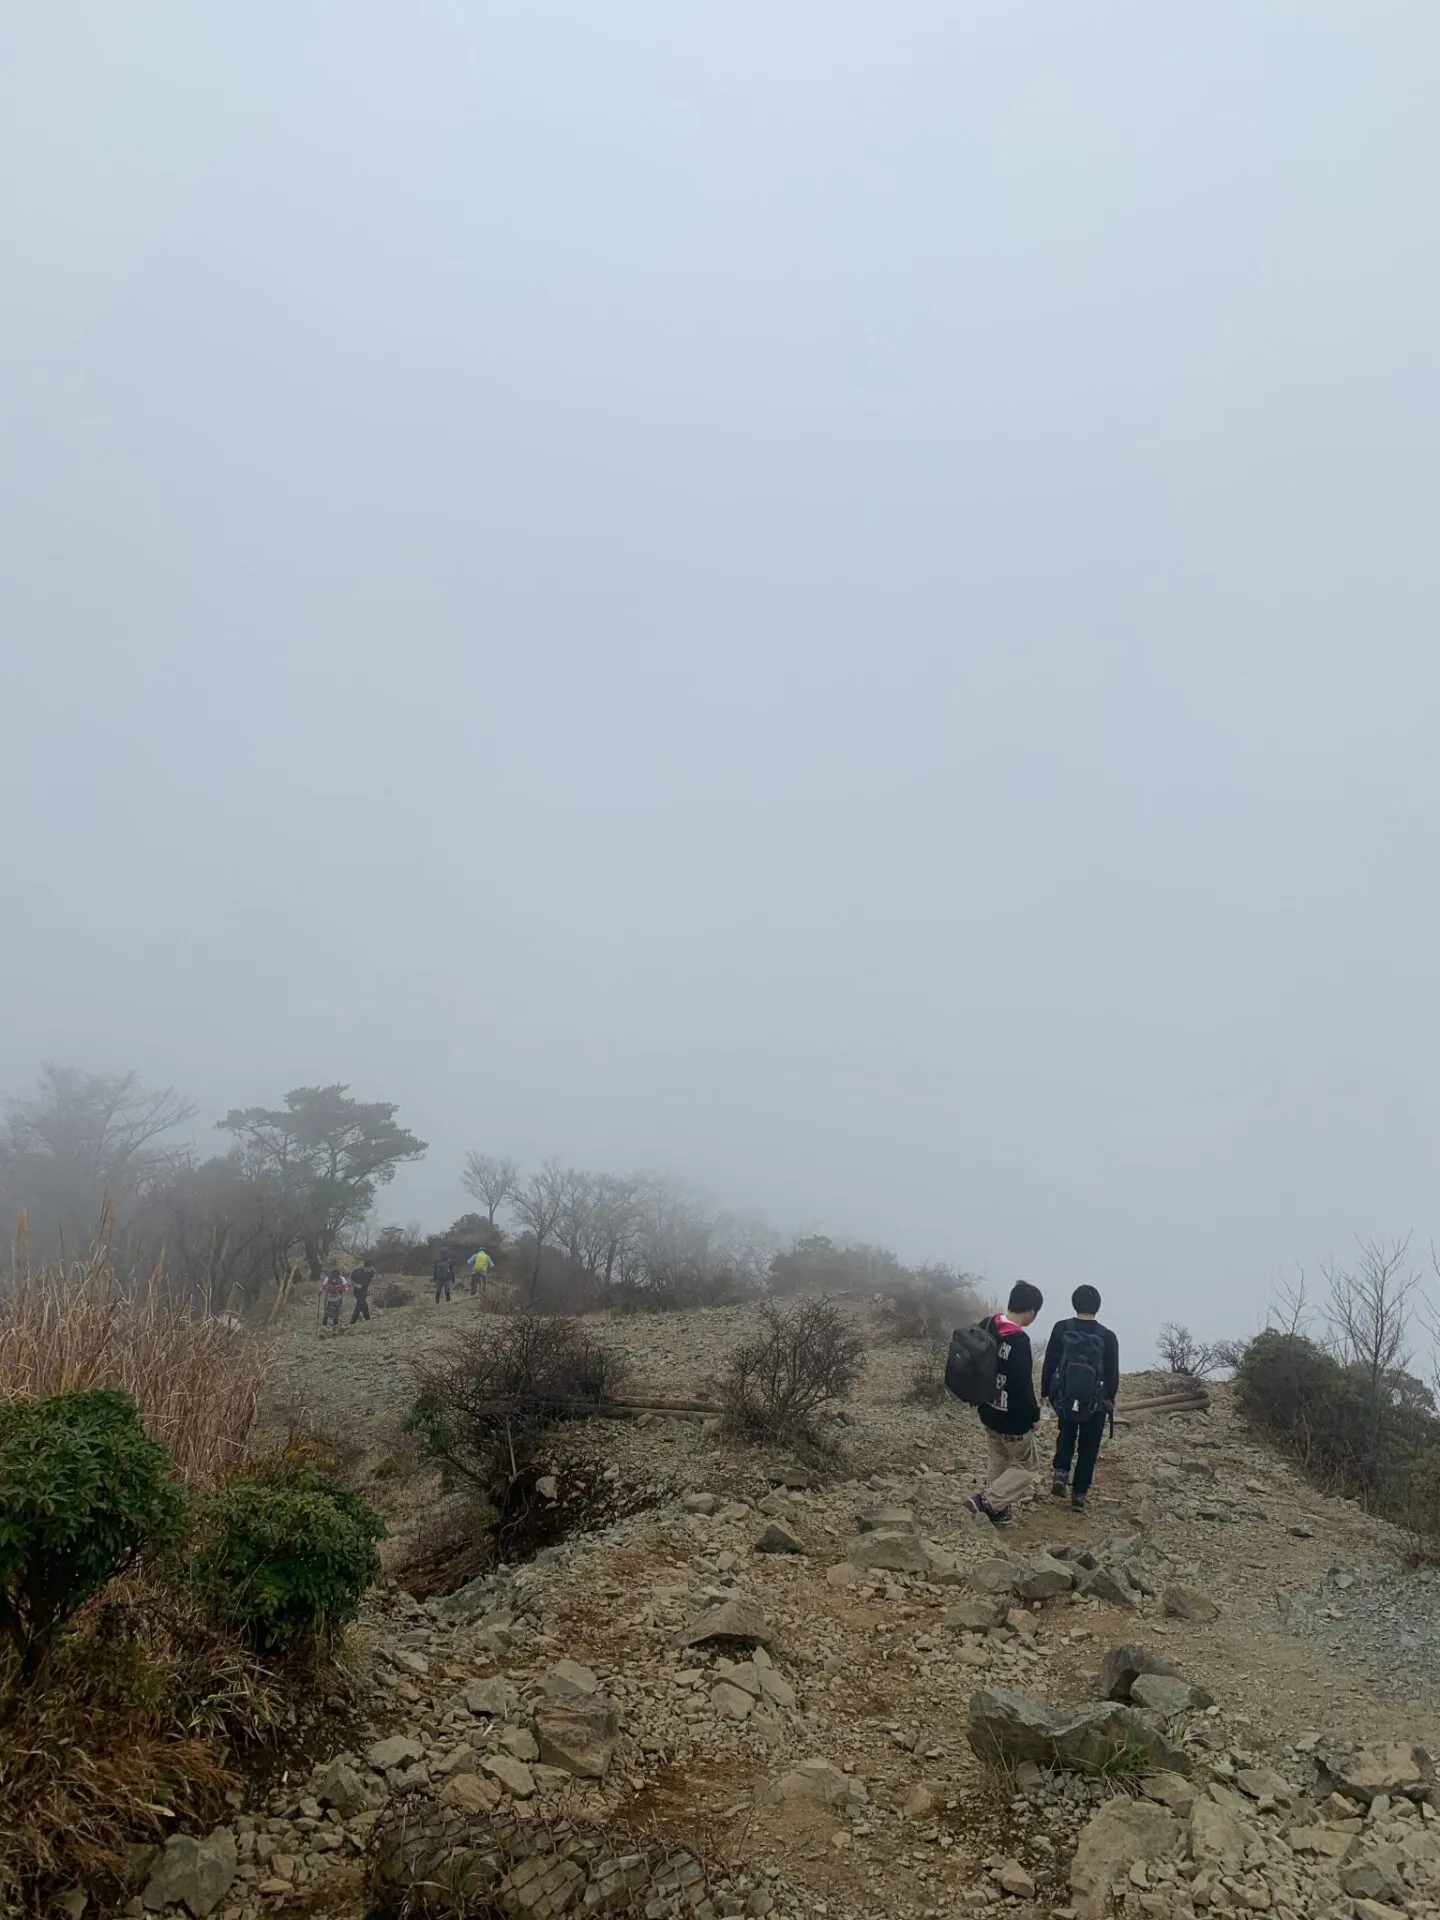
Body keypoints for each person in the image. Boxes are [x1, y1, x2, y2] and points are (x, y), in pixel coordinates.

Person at [968, 1280, 1044, 1527]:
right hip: (1011, 1420)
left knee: (998, 1459)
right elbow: (1023, 1386)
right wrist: (1034, 1416)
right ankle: (986, 1501)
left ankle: (996, 1512)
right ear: (1031, 1311)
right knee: (1027, 1466)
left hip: (987, 1410)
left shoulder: (987, 1324)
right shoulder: (1019, 1341)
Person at [1042, 1284, 1120, 1514]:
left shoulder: (1062, 1328)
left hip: (1066, 1396)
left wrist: (1046, 1391)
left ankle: (1061, 1472)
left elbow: (1051, 1361)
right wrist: (1109, 1400)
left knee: (1066, 1432)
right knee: (1089, 1445)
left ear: (1074, 1303)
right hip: (1095, 1402)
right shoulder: (1107, 1336)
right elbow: (1112, 1373)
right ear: (1098, 1307)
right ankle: (1079, 1494)